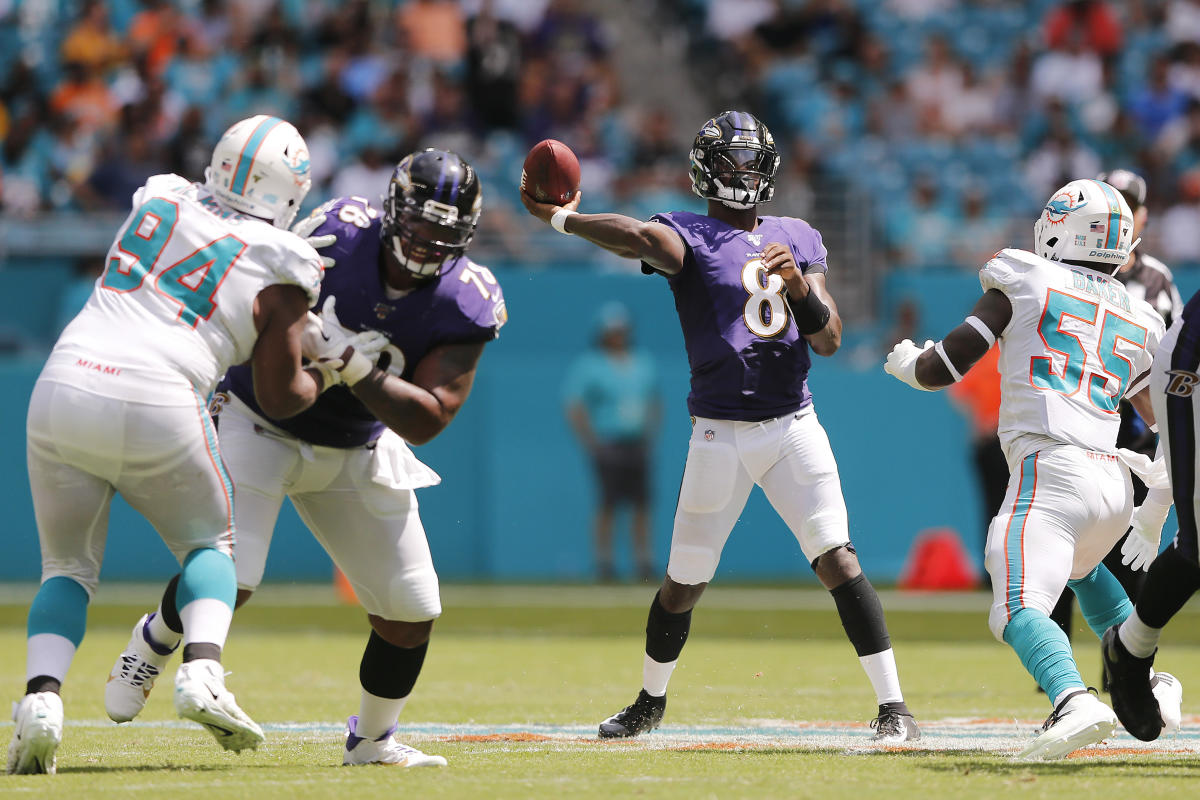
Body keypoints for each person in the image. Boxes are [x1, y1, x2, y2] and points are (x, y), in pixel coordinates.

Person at [521, 110, 919, 744]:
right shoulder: (689, 234)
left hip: (793, 425)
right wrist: (560, 218)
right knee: (682, 583)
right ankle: (650, 701)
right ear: (706, 170)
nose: (740, 172)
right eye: (729, 162)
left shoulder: (797, 236)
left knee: (837, 559)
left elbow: (832, 338)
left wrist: (798, 287)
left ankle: (895, 708)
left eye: (749, 162)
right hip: (719, 432)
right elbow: (636, 236)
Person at [104, 148, 505, 768]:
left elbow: (428, 418)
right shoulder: (339, 232)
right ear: (392, 211)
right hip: (258, 418)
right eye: (421, 226)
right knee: (232, 578)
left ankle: (372, 742)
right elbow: (264, 297)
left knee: (410, 610)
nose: (428, 244)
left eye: (445, 234)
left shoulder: (468, 297)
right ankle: (154, 640)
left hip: (358, 442)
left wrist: (351, 363)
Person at [8, 114, 335, 775]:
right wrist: (329, 368)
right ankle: (202, 673)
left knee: (66, 569)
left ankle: (40, 700)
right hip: (160, 392)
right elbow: (279, 396)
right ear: (290, 190)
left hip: (64, 381)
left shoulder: (162, 194)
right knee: (210, 547)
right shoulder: (285, 260)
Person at [883, 178, 1181, 759]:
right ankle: (1149, 679)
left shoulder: (1024, 274)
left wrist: (908, 364)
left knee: (1017, 601)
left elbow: (947, 364)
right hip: (1114, 481)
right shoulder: (1138, 311)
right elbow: (1162, 417)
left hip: (1052, 466)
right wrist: (1160, 500)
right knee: (1081, 569)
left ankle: (1072, 698)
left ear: (1058, 227)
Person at [1048, 169, 1183, 656]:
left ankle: (1124, 668)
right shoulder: (1059, 272)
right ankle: (1058, 663)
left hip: (1138, 441)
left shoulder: (1156, 281)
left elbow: (1174, 356)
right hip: (1073, 427)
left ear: (1142, 215)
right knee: (1061, 552)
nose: (1118, 208)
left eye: (1127, 201)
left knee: (1132, 559)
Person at [564, 302, 660, 582]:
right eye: (612, 331)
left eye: (621, 330)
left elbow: (654, 400)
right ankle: (604, 563)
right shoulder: (591, 365)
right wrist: (591, 441)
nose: (618, 335)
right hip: (609, 443)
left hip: (637, 442)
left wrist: (650, 433)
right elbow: (575, 405)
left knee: (641, 506)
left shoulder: (642, 361)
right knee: (607, 505)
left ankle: (643, 562)